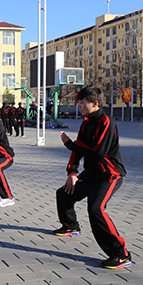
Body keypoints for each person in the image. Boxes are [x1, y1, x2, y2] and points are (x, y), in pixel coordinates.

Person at [55, 86, 131, 269]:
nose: (79, 106)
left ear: (95, 103)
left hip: (109, 175)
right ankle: (71, 226)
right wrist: (71, 173)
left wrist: (71, 145)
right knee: (64, 194)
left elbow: (98, 153)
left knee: (96, 209)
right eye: (78, 103)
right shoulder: (86, 123)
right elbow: (79, 149)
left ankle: (121, 255)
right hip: (90, 175)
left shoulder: (107, 122)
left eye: (82, 103)